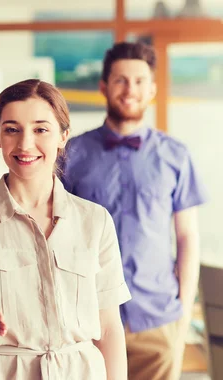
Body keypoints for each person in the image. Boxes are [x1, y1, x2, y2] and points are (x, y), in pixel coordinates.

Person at [0, 79, 131, 379]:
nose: (25, 144)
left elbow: (108, 327)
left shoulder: (95, 220)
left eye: (41, 129)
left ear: (63, 136)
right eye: (11, 129)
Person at [63, 42, 207, 380]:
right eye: (121, 80)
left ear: (152, 89)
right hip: (88, 318)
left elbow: (187, 237)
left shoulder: (176, 156)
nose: (130, 90)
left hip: (157, 320)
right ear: (103, 86)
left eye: (140, 81)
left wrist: (183, 315)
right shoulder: (71, 154)